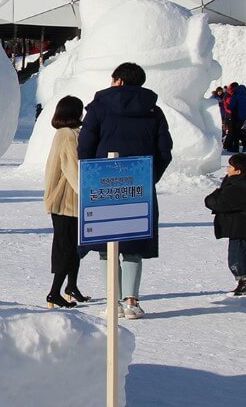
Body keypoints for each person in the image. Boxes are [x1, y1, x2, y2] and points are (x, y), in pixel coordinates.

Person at [78, 62, 173, 319]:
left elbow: (85, 146)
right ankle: (131, 301)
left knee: (106, 243)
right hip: (138, 183)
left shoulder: (98, 108)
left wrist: (91, 176)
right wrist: (149, 176)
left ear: (118, 80)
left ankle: (113, 301)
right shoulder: (153, 111)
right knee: (134, 241)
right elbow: (164, 149)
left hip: (103, 183)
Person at [42, 95, 89, 309]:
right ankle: (54, 292)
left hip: (67, 199)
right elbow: (73, 168)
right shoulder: (68, 135)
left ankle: (71, 287)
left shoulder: (64, 134)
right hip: (66, 200)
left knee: (73, 244)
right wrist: (87, 193)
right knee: (66, 245)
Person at [203, 153, 246, 295]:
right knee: (239, 255)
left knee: (235, 258)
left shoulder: (238, 187)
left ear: (238, 171)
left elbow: (217, 202)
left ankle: (245, 282)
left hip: (241, 228)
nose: (227, 169)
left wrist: (217, 193)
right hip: (244, 227)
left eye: (230, 166)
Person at [226, 83, 246, 154]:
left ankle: (236, 147)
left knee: (235, 132)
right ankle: (244, 143)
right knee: (239, 131)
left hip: (235, 116)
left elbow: (231, 106)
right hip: (243, 117)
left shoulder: (235, 96)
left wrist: (228, 107)